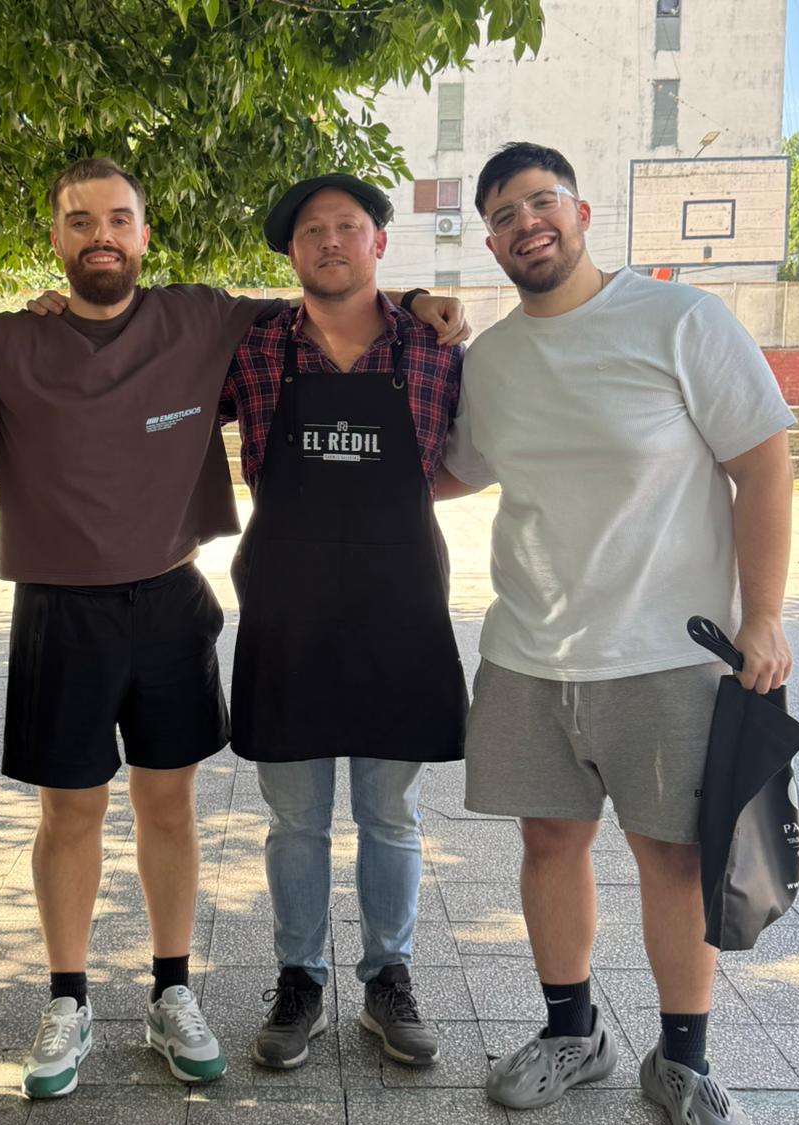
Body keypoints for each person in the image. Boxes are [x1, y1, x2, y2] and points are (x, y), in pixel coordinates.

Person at [0, 157, 467, 1099]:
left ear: (144, 234)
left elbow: (331, 297)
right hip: (56, 608)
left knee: (172, 806)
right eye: (79, 221)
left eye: (118, 219)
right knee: (69, 813)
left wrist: (417, 292)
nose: (100, 237)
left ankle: (173, 991)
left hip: (172, 601)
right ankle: (69, 999)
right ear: (55, 238)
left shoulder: (205, 318)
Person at [442, 142, 795, 1125]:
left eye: (539, 200)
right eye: (503, 212)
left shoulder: (678, 320)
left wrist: (760, 615)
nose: (524, 221)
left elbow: (762, 464)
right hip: (528, 648)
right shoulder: (490, 361)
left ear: (580, 210)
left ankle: (682, 1057)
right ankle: (571, 1033)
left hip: (666, 651)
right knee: (547, 843)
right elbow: (452, 470)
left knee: (672, 857)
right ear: (492, 239)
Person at [216, 176, 468, 1070]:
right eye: (312, 232)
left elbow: (471, 459)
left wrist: (418, 305)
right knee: (294, 820)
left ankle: (388, 980)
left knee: (391, 813)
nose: (331, 241)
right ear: (290, 255)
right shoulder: (247, 348)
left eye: (349, 227)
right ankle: (300, 981)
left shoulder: (438, 349)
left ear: (380, 242)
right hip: (286, 608)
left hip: (400, 610)